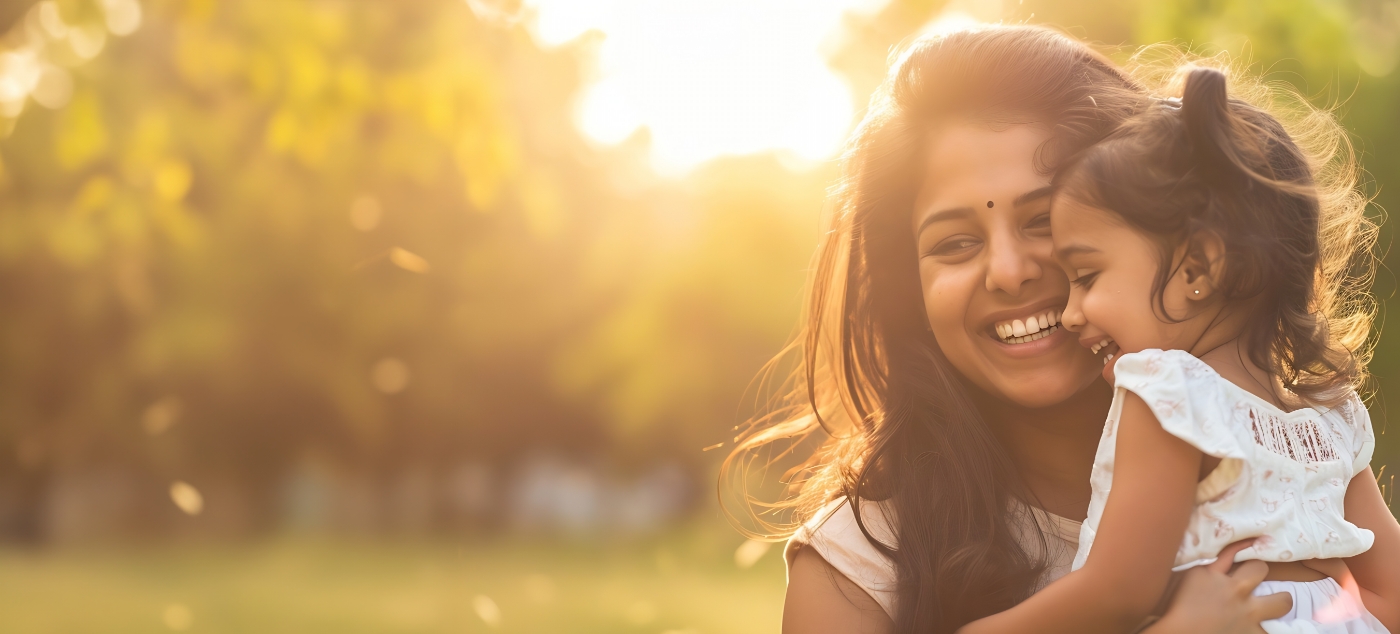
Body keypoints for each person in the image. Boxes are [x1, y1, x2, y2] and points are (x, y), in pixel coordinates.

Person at [721, 25, 1296, 634]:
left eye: (1045, 220)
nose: (1009, 271)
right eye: (956, 242)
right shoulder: (856, 571)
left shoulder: (1279, 461)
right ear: (908, 291)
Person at [955, 67, 1400, 634]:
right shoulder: (1331, 412)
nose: (1070, 313)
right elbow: (1390, 595)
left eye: (1086, 276)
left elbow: (1118, 591)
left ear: (1198, 270)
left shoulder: (1170, 391)